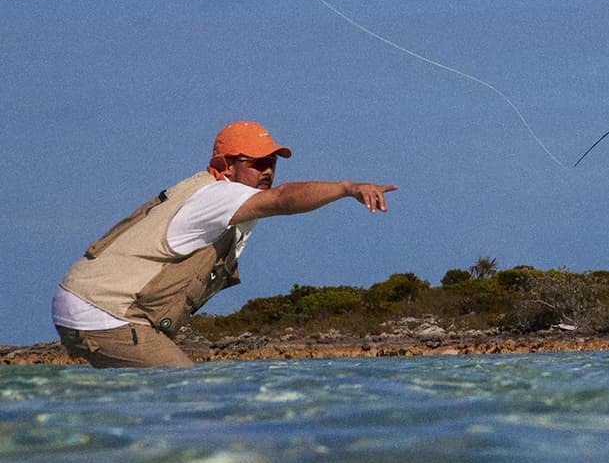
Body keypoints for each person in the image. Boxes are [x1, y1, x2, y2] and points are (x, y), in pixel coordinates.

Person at [52, 121, 397, 368]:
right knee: (185, 394)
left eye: (272, 163)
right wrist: (347, 188)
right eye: (256, 163)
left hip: (92, 306)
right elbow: (281, 199)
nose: (267, 171)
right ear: (226, 166)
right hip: (102, 312)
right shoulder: (219, 195)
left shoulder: (216, 193)